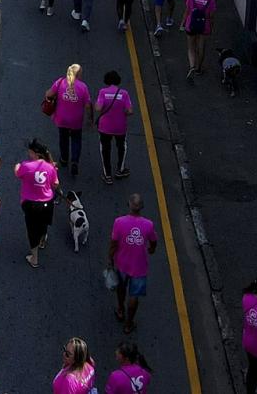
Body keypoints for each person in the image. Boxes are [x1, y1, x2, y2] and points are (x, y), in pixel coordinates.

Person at [109, 193, 158, 332]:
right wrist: (151, 249)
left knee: (121, 288)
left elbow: (113, 243)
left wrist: (110, 258)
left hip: (122, 263)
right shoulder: (148, 225)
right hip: (139, 267)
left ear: (129, 205)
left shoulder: (119, 222)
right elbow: (154, 241)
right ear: (141, 207)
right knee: (134, 296)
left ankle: (120, 309)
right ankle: (129, 324)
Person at [16, 138, 59, 268]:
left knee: (32, 229)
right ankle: (42, 239)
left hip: (30, 204)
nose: (29, 153)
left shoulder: (26, 166)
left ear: (36, 153)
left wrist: (17, 166)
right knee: (43, 222)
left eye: (30, 151)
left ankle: (34, 258)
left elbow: (18, 174)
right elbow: (55, 184)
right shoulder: (50, 167)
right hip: (47, 202)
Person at [46, 64, 92, 177]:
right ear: (78, 74)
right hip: (76, 120)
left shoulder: (60, 82)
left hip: (61, 118)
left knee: (63, 138)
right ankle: (75, 161)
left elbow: (49, 94)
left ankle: (64, 159)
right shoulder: (83, 87)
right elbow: (87, 105)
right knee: (76, 139)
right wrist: (90, 118)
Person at [95, 70, 134, 183]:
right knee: (122, 147)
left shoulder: (103, 92)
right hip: (120, 126)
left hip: (105, 127)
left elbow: (98, 108)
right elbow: (130, 111)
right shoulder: (124, 93)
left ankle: (107, 175)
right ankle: (120, 170)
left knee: (105, 149)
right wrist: (122, 113)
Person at [182, 0, 217, 82]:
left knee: (191, 47)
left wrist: (182, 23)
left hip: (191, 24)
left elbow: (187, 11)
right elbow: (211, 16)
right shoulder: (211, 0)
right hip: (204, 26)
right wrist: (211, 27)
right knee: (201, 47)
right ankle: (198, 68)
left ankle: (192, 66)